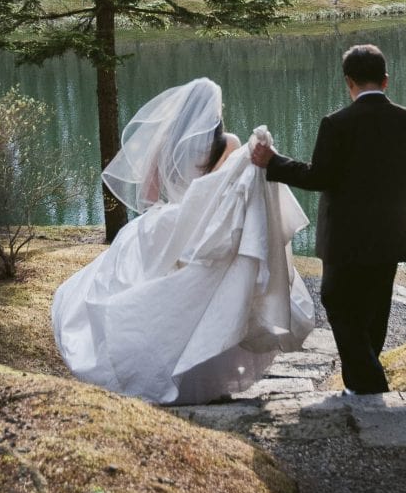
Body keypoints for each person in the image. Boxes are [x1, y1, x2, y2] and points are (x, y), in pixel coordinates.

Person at [52, 78, 314, 405]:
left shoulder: (166, 142)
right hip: (208, 228)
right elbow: (233, 191)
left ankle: (142, 364)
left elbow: (148, 196)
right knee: (206, 300)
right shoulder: (230, 143)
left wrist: (171, 214)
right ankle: (201, 374)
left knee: (149, 294)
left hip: (169, 223)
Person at [251, 44, 406, 396]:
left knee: (337, 301)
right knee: (375, 306)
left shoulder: (336, 124)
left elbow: (319, 177)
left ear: (348, 82)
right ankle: (361, 381)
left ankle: (369, 385)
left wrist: (273, 162)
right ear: (386, 80)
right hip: (393, 235)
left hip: (346, 238)